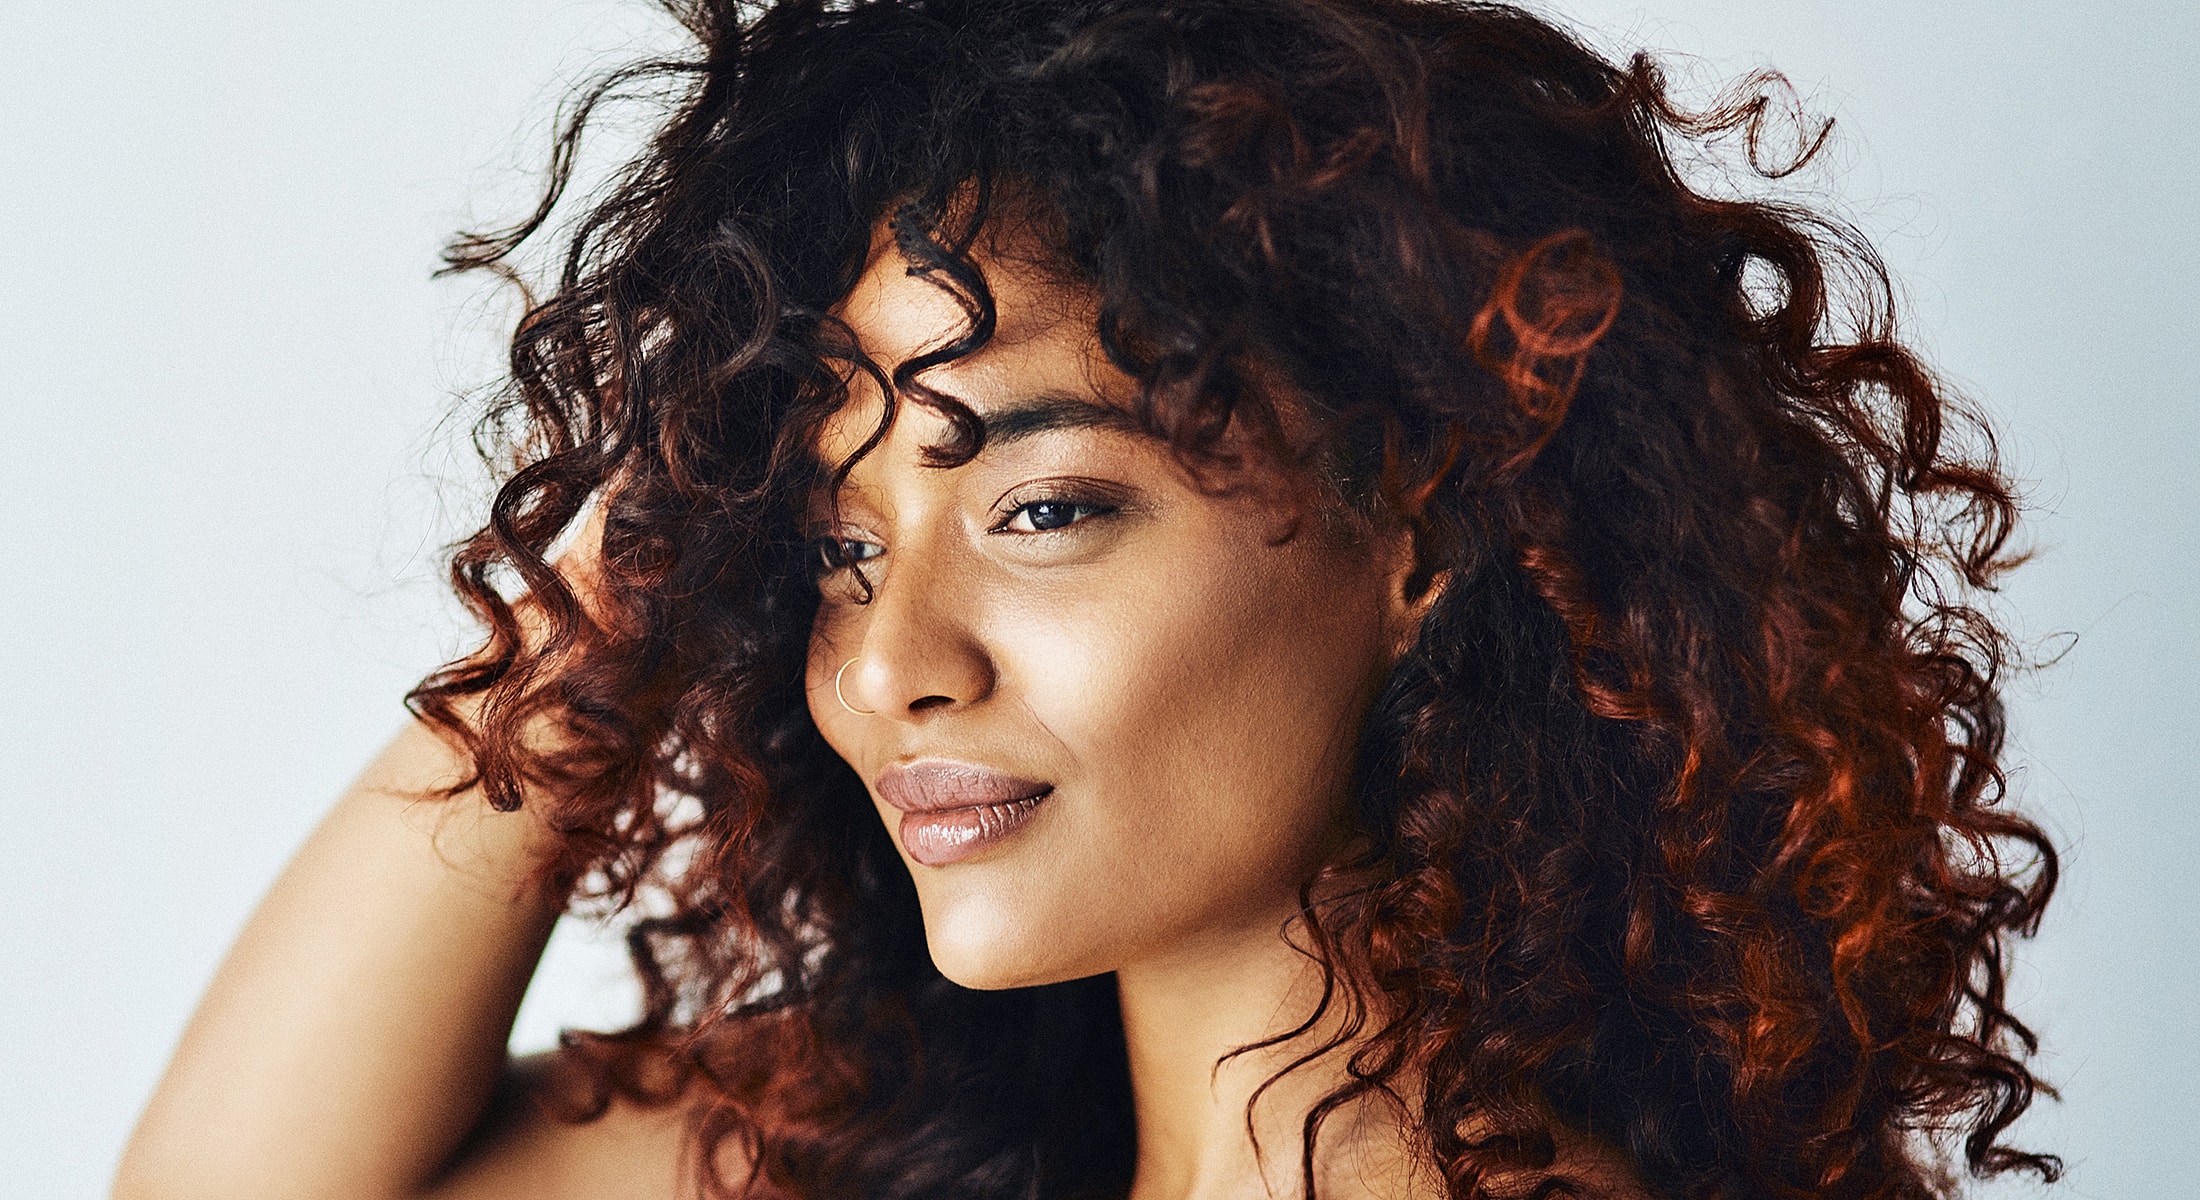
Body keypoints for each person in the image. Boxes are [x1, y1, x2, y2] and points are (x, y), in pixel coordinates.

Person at [113, 0, 2063, 1197]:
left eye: (1039, 509)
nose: (885, 666)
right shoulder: (910, 1145)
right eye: (832, 549)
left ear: (1426, 526)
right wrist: (676, 493)